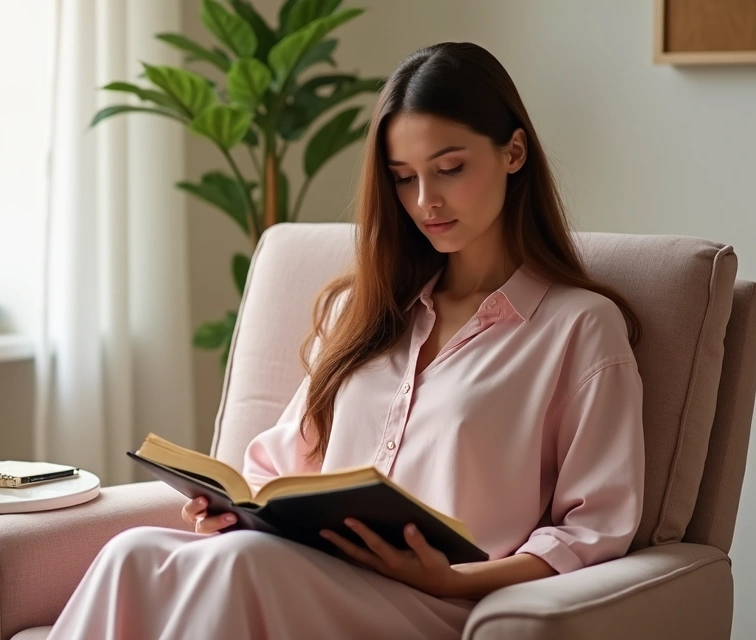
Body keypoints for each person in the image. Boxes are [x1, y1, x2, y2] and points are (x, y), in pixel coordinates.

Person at [45, 41, 645, 640]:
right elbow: (280, 465)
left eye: (450, 168)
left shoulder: (579, 327)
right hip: (307, 575)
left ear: (513, 151)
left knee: (242, 566)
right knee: (135, 550)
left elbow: (591, 531)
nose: (425, 201)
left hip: (439, 605)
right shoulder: (365, 313)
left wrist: (454, 579)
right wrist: (232, 510)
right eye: (403, 178)